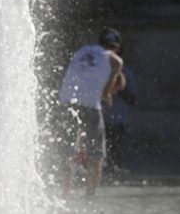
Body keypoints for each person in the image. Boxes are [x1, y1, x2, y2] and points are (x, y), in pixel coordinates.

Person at [57, 27, 124, 196]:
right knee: (96, 154)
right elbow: (110, 84)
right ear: (115, 47)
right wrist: (108, 94)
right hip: (90, 105)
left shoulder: (82, 51)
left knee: (67, 152)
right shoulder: (114, 59)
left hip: (66, 102)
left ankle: (64, 193)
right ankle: (90, 195)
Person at [103, 60, 137, 180]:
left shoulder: (126, 72)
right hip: (103, 118)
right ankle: (104, 169)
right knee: (102, 147)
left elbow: (132, 99)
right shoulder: (101, 70)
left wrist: (118, 88)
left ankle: (114, 168)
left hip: (119, 118)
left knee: (116, 147)